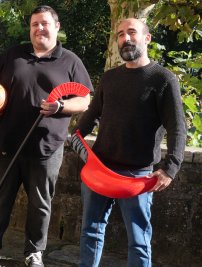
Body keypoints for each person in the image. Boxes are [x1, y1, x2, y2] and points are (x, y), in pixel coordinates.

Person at [0, 5, 93, 267]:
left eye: (44, 23)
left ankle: (34, 252)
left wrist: (60, 107)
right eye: (34, 24)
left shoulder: (70, 61)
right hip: (6, 145)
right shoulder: (13, 55)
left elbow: (85, 100)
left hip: (47, 148)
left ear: (57, 27)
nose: (39, 29)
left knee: (40, 205)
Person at [76, 18, 186, 267]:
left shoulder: (163, 79)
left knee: (139, 240)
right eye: (120, 34)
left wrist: (170, 167)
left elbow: (178, 127)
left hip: (137, 175)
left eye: (132, 32)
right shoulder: (109, 78)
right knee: (90, 232)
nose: (125, 38)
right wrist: (77, 139)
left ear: (146, 38)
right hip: (100, 169)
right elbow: (90, 117)